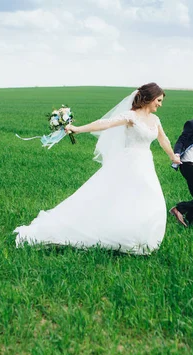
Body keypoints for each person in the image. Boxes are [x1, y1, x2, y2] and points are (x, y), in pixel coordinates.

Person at [14, 83, 181, 255]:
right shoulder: (131, 116)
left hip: (145, 163)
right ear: (148, 98)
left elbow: (163, 139)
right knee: (122, 198)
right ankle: (118, 236)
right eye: (158, 100)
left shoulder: (155, 120)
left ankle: (140, 239)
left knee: (150, 200)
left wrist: (172, 156)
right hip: (129, 163)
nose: (160, 104)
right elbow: (105, 124)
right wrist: (78, 129)